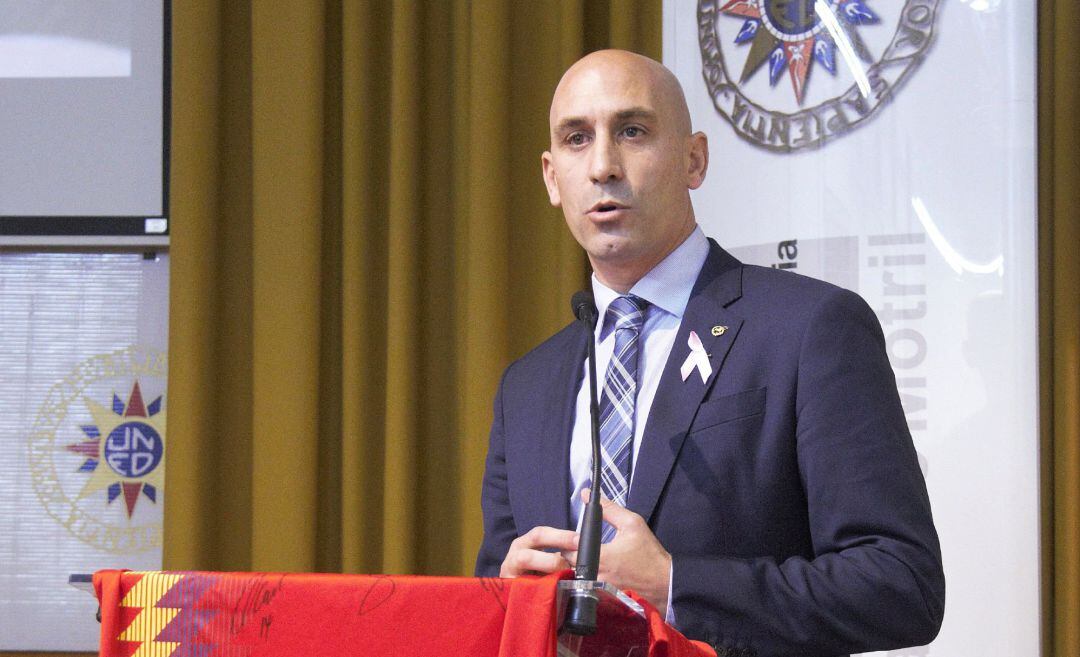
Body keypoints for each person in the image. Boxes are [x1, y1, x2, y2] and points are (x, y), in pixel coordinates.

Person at [474, 49, 944, 657]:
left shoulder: (810, 329)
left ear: (694, 160)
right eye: (575, 139)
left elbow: (901, 585)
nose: (602, 166)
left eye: (633, 131)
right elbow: (490, 598)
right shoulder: (527, 387)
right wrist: (508, 599)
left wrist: (677, 585)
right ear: (550, 177)